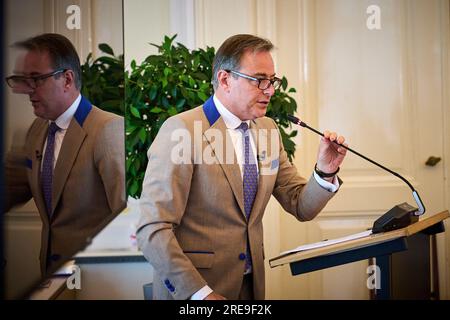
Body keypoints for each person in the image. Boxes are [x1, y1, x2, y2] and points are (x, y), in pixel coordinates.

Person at [137, 34, 348, 300]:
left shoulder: (269, 130)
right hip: (198, 291)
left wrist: (325, 171)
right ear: (225, 79)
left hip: (252, 287)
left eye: (272, 81)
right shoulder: (182, 130)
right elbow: (152, 229)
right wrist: (200, 294)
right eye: (259, 80)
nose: (270, 90)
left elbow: (300, 205)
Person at [4, 33, 126, 275]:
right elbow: (10, 187)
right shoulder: (37, 130)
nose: (28, 90)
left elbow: (123, 220)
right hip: (49, 276)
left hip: (94, 280)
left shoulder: (108, 130)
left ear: (67, 79)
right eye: (24, 80)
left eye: (37, 79)